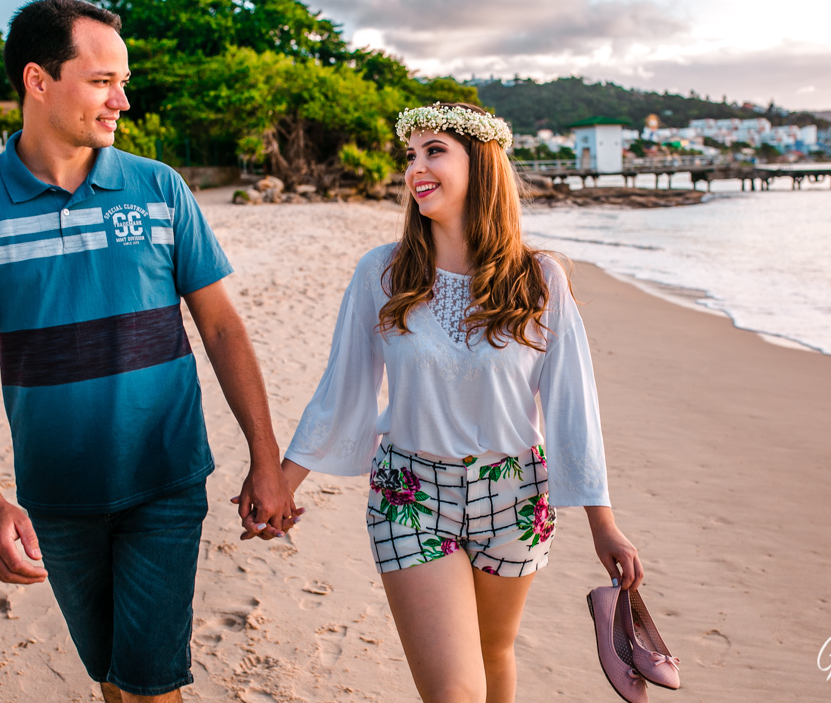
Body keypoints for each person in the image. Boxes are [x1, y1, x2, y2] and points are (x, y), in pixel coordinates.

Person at [0, 0, 299, 703]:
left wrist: (265, 460)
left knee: (151, 686)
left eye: (121, 80)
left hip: (165, 477)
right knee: (112, 680)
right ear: (39, 80)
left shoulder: (159, 189)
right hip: (55, 493)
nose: (121, 98)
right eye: (101, 80)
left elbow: (222, 329)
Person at [265, 102, 643, 703]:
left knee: (495, 655)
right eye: (410, 154)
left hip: (516, 495)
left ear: (483, 162)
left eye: (434, 149)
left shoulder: (539, 279)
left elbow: (573, 405)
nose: (416, 166)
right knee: (453, 693)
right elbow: (344, 389)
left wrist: (604, 523)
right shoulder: (382, 274)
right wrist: (284, 480)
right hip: (411, 496)